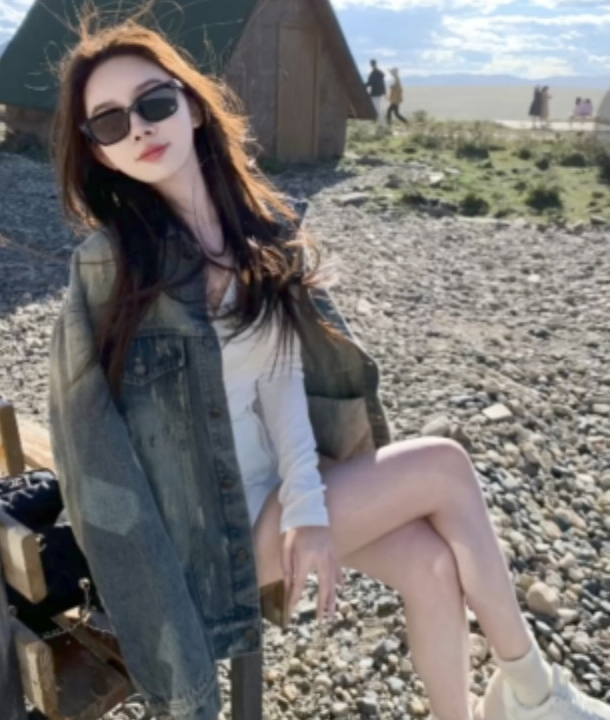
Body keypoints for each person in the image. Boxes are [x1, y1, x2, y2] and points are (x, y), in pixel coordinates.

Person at [47, 12, 610, 720]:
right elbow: (86, 444)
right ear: (100, 153)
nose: (138, 128)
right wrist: (155, 601)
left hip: (277, 492)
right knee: (445, 466)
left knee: (433, 564)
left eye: (154, 102)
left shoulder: (259, 235)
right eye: (109, 122)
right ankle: (535, 693)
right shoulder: (111, 266)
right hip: (211, 538)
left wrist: (308, 507)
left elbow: (280, 382)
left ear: (192, 107)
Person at [365, 58, 386, 125]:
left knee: (377, 108)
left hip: (375, 93)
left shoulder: (375, 73)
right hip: (377, 93)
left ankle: (382, 124)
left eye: (371, 64)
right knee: (376, 108)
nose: (371, 65)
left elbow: (372, 82)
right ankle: (379, 123)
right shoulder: (378, 73)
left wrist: (364, 85)